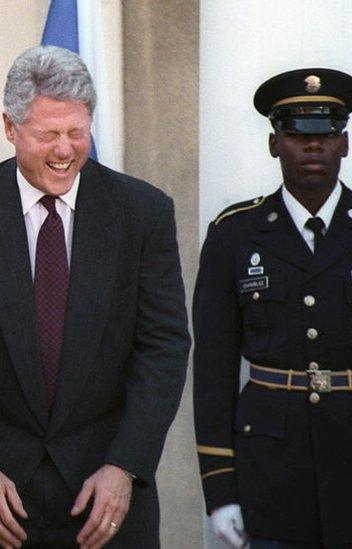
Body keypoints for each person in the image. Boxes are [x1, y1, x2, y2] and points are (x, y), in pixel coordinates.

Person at [0, 45, 190, 548]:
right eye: (47, 135)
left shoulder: (142, 213)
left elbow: (164, 347)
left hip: (105, 493)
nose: (65, 150)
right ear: (10, 128)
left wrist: (126, 465)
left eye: (76, 133)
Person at [193, 67, 352, 549]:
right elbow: (214, 369)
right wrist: (220, 489)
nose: (313, 148)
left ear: (343, 144)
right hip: (269, 477)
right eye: (297, 135)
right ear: (273, 144)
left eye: (326, 135)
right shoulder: (234, 234)